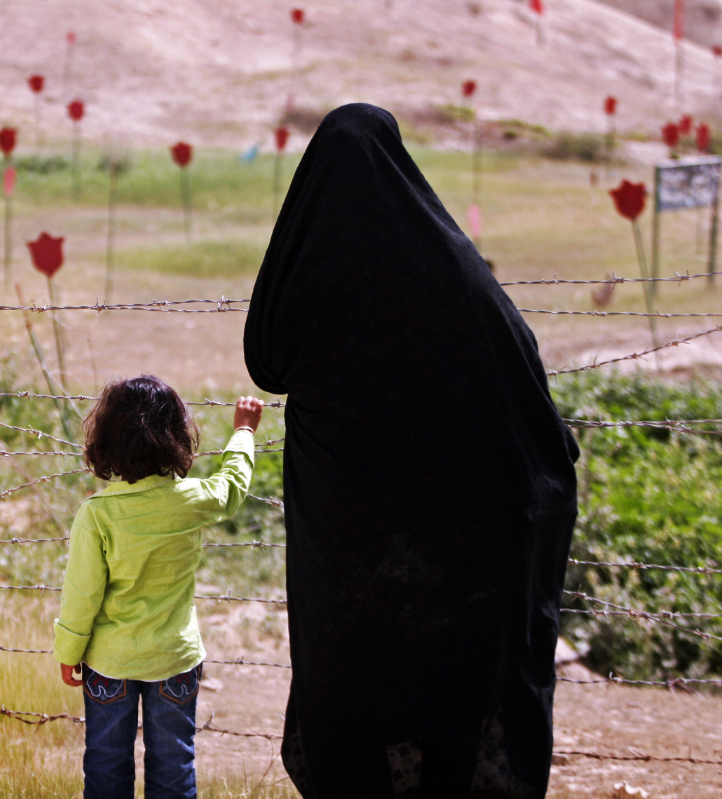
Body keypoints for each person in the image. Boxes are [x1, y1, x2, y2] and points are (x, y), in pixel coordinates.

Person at [243, 104, 579, 798]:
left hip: (348, 559)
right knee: (450, 687)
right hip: (464, 556)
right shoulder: (457, 273)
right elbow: (529, 409)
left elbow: (265, 359)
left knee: (353, 688)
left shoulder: (310, 274)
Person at [54, 375, 264, 799]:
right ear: (177, 437)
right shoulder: (191, 499)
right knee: (173, 766)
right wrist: (243, 432)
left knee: (106, 764)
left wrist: (68, 652)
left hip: (110, 663)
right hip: (175, 658)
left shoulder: (97, 515)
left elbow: (82, 595)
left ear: (105, 441)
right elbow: (231, 487)